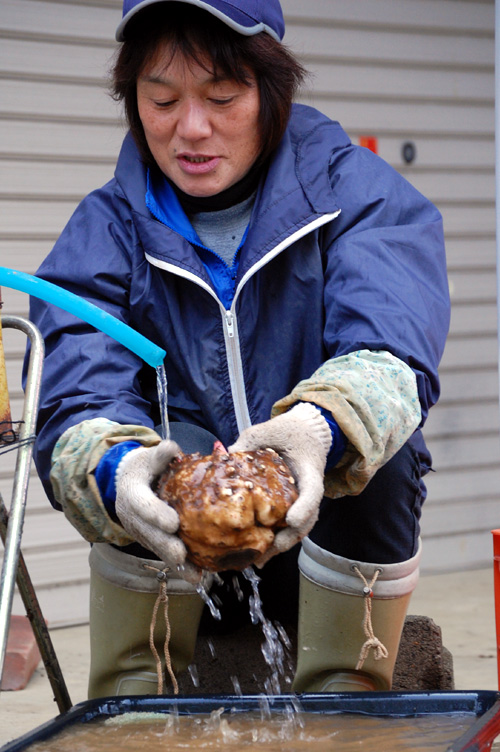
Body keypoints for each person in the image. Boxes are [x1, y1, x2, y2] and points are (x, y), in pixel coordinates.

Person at [27, 0, 450, 698]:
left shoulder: (357, 195)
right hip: (177, 552)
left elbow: (392, 346)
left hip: (324, 536)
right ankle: (138, 704)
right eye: (161, 99)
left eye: (221, 96)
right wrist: (116, 469)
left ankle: (347, 699)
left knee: (388, 446)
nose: (191, 129)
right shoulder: (104, 230)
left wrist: (319, 429)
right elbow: (78, 383)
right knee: (128, 463)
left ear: (271, 92)